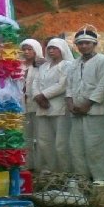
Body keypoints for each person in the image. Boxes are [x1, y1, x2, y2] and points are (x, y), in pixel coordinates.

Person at [65, 26, 104, 186]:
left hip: (95, 110)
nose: (84, 46)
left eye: (87, 43)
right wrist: (70, 103)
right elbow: (69, 85)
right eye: (80, 43)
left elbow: (103, 84)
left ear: (94, 44)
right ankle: (82, 175)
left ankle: (103, 176)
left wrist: (88, 104)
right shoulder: (74, 63)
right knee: (77, 144)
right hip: (76, 110)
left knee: (97, 143)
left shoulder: (103, 61)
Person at [32, 38, 74, 173]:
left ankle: (65, 171)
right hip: (42, 106)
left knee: (61, 143)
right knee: (44, 141)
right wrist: (37, 96)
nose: (51, 51)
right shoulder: (44, 66)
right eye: (49, 48)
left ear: (62, 49)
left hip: (59, 107)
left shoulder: (67, 65)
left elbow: (62, 85)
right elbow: (35, 82)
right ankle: (52, 169)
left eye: (54, 48)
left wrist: (43, 95)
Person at [20, 38, 45, 170]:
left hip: (37, 104)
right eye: (24, 49)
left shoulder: (42, 65)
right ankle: (26, 165)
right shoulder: (18, 66)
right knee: (25, 136)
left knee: (40, 136)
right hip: (21, 105)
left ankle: (41, 165)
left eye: (30, 49)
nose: (26, 52)